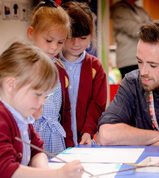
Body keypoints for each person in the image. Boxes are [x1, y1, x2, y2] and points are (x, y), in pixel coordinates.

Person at [0, 42, 83, 178]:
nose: (42, 102)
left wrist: (46, 172)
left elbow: (37, 150)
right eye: (38, 94)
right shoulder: (2, 118)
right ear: (11, 85)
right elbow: (5, 170)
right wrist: (56, 174)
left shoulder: (22, 117)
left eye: (45, 96)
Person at [27, 0, 74, 156]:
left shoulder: (60, 69)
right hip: (31, 137)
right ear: (31, 33)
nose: (54, 47)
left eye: (60, 42)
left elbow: (65, 111)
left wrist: (70, 143)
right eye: (48, 40)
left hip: (56, 139)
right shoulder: (24, 67)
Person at [60, 1, 107, 145]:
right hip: (57, 140)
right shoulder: (51, 64)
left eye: (83, 38)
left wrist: (88, 130)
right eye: (70, 37)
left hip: (85, 139)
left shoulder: (95, 67)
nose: (76, 44)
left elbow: (98, 104)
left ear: (91, 36)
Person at [110, 0, 151, 78]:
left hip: (144, 58)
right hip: (128, 61)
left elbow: (152, 26)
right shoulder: (119, 9)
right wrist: (150, 28)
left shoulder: (140, 9)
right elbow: (135, 30)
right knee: (133, 88)